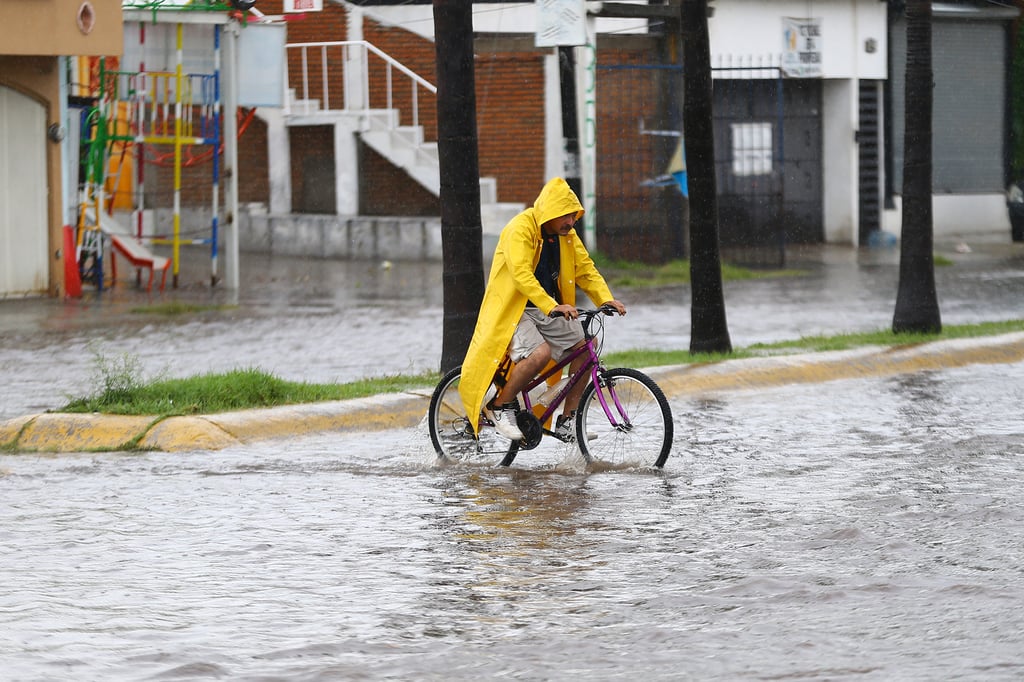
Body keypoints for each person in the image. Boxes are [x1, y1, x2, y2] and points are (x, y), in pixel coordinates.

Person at [459, 177, 627, 441]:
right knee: (539, 354)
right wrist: (553, 306)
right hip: (515, 309)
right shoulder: (521, 229)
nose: (570, 222)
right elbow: (521, 276)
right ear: (548, 212)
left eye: (573, 215)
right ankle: (499, 405)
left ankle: (567, 420)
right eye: (565, 215)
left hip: (545, 308)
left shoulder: (566, 236)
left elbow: (586, 270)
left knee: (586, 347)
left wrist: (605, 299)